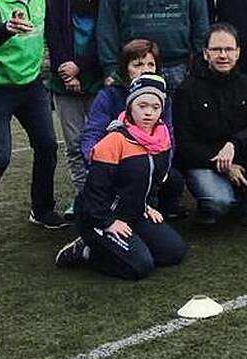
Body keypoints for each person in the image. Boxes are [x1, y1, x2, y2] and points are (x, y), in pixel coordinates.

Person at [55, 74, 187, 279]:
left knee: (173, 252)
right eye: (142, 105)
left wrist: (146, 205)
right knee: (140, 266)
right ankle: (87, 250)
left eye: (155, 107)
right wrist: (107, 222)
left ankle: (122, 247)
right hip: (99, 215)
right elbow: (93, 192)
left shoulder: (162, 139)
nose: (148, 112)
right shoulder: (113, 141)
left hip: (134, 211)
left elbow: (149, 180)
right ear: (130, 107)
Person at [173, 23, 247, 230]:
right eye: (216, 49)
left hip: (238, 155)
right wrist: (223, 165)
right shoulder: (187, 90)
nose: (223, 55)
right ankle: (210, 206)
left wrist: (234, 144)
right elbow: (184, 144)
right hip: (203, 163)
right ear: (205, 53)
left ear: (238, 53)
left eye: (229, 49)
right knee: (219, 202)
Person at [0, 0, 66, 228]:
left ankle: (42, 209)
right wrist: (5, 30)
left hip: (31, 86)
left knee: (47, 145)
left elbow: (53, 34)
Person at [81, 38, 185, 219]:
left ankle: (159, 215)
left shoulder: (163, 99)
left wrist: (163, 169)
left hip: (150, 162)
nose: (145, 69)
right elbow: (92, 133)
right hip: (117, 163)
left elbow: (169, 136)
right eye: (137, 64)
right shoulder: (108, 96)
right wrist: (97, 163)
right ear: (125, 68)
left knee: (174, 180)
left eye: (150, 64)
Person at [45, 0, 109, 209]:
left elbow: (107, 35)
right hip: (64, 79)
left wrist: (80, 67)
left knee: (101, 142)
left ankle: (102, 195)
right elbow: (54, 32)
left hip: (96, 76)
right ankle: (84, 197)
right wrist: (66, 72)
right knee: (74, 144)